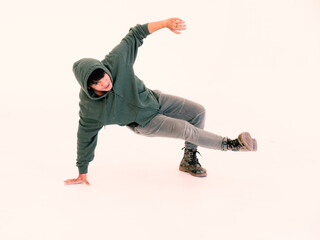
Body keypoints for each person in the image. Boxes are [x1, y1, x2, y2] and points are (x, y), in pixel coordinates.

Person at [64, 18, 257, 186]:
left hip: (154, 99)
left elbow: (136, 33)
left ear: (104, 68)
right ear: (90, 88)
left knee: (198, 112)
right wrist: (82, 170)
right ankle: (231, 144)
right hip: (145, 122)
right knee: (184, 128)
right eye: (97, 83)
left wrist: (165, 24)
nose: (105, 82)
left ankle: (189, 159)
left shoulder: (115, 61)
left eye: (103, 76)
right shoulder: (91, 110)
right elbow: (85, 137)